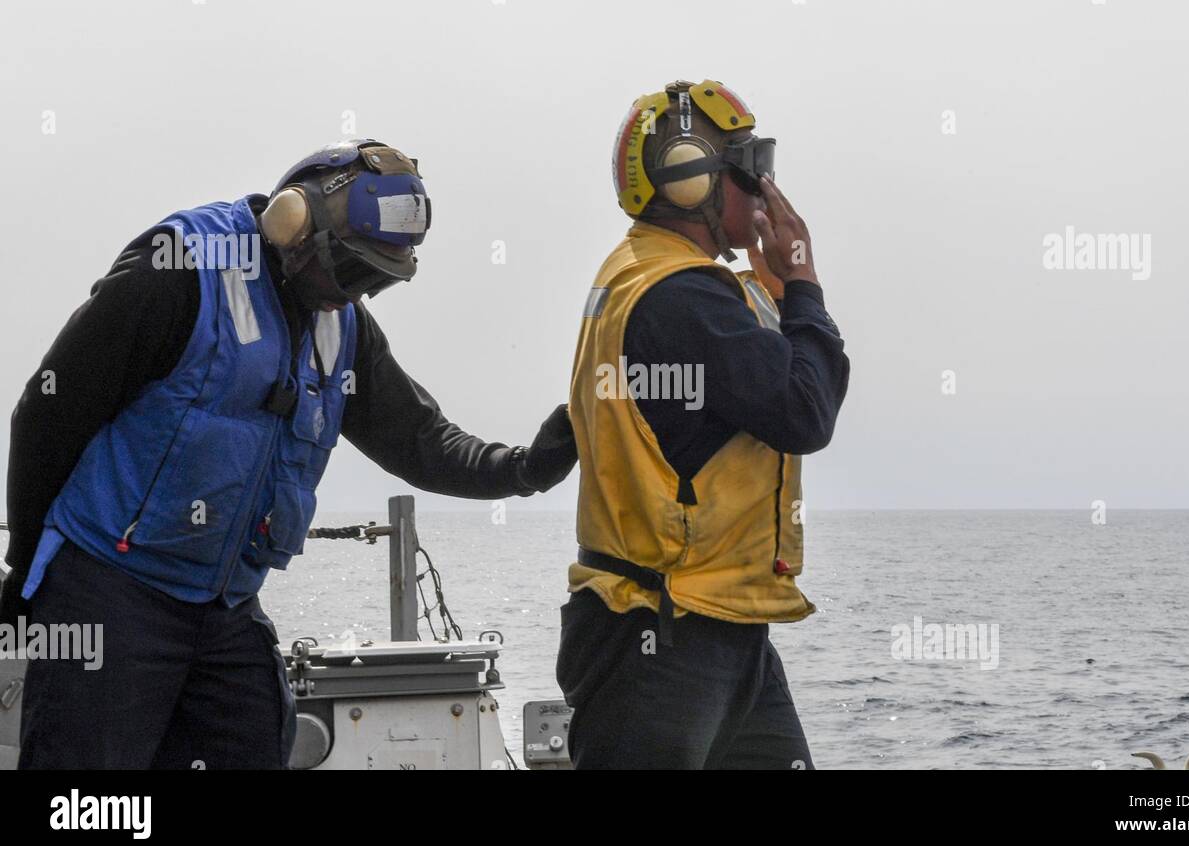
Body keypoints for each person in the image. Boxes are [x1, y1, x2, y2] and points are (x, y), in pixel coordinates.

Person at [0, 138, 576, 769]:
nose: (353, 296)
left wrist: (525, 469)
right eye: (351, 272)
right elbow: (49, 410)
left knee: (251, 740)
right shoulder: (178, 273)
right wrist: (30, 573)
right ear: (292, 223)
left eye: (376, 283)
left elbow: (419, 440)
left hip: (222, 607)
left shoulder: (342, 324)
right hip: (110, 588)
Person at [557, 80, 851, 768]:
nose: (765, 193)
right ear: (692, 182)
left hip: (718, 621)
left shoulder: (644, 275)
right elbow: (804, 411)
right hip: (662, 637)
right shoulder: (682, 296)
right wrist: (804, 282)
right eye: (752, 173)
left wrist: (778, 291)